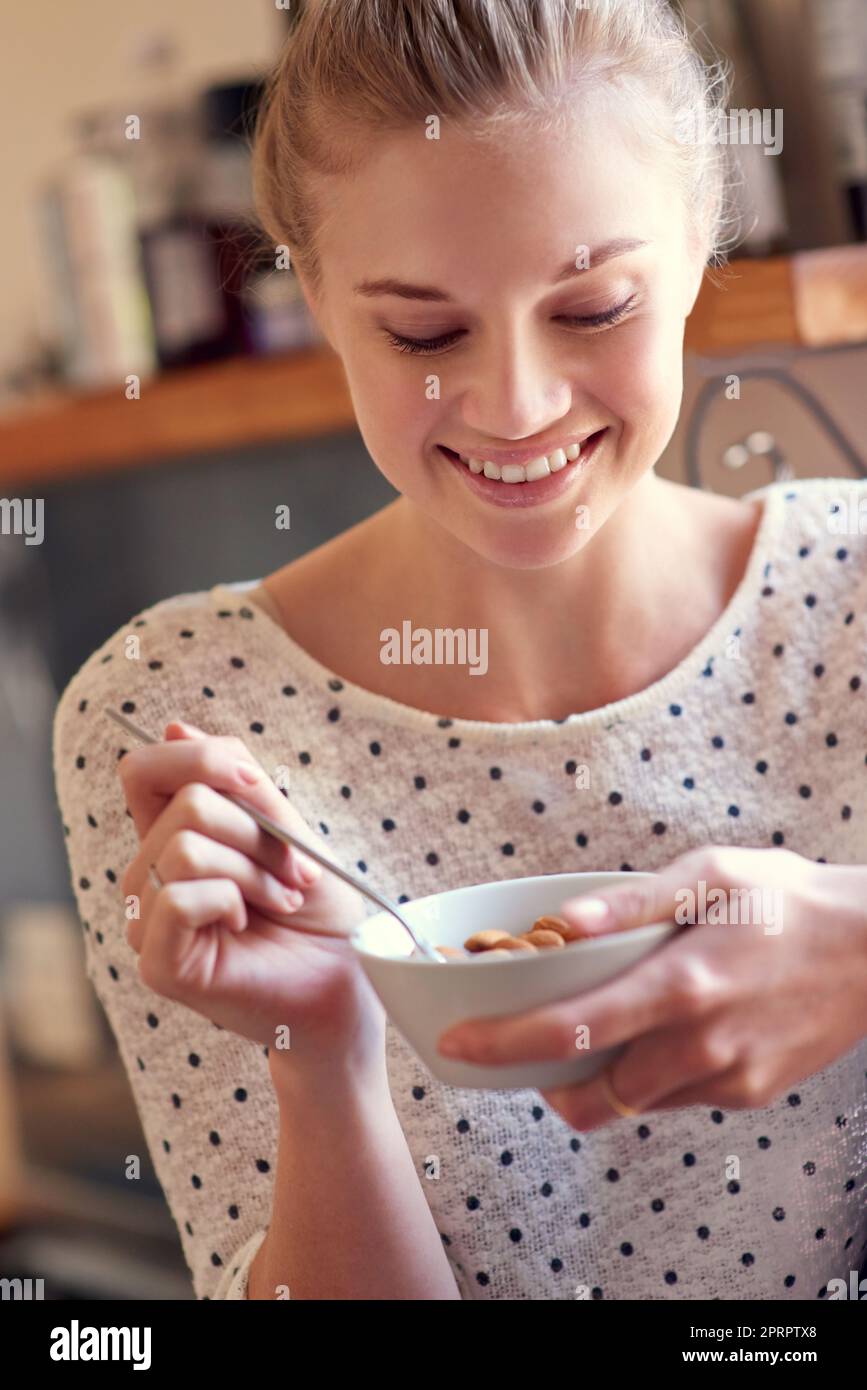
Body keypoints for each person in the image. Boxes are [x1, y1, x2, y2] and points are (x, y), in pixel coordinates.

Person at [52, 0, 867, 1301]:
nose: (519, 405)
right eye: (425, 334)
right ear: (315, 297)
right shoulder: (172, 714)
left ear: (705, 243)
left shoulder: (851, 603)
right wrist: (321, 1059)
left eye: (594, 305)